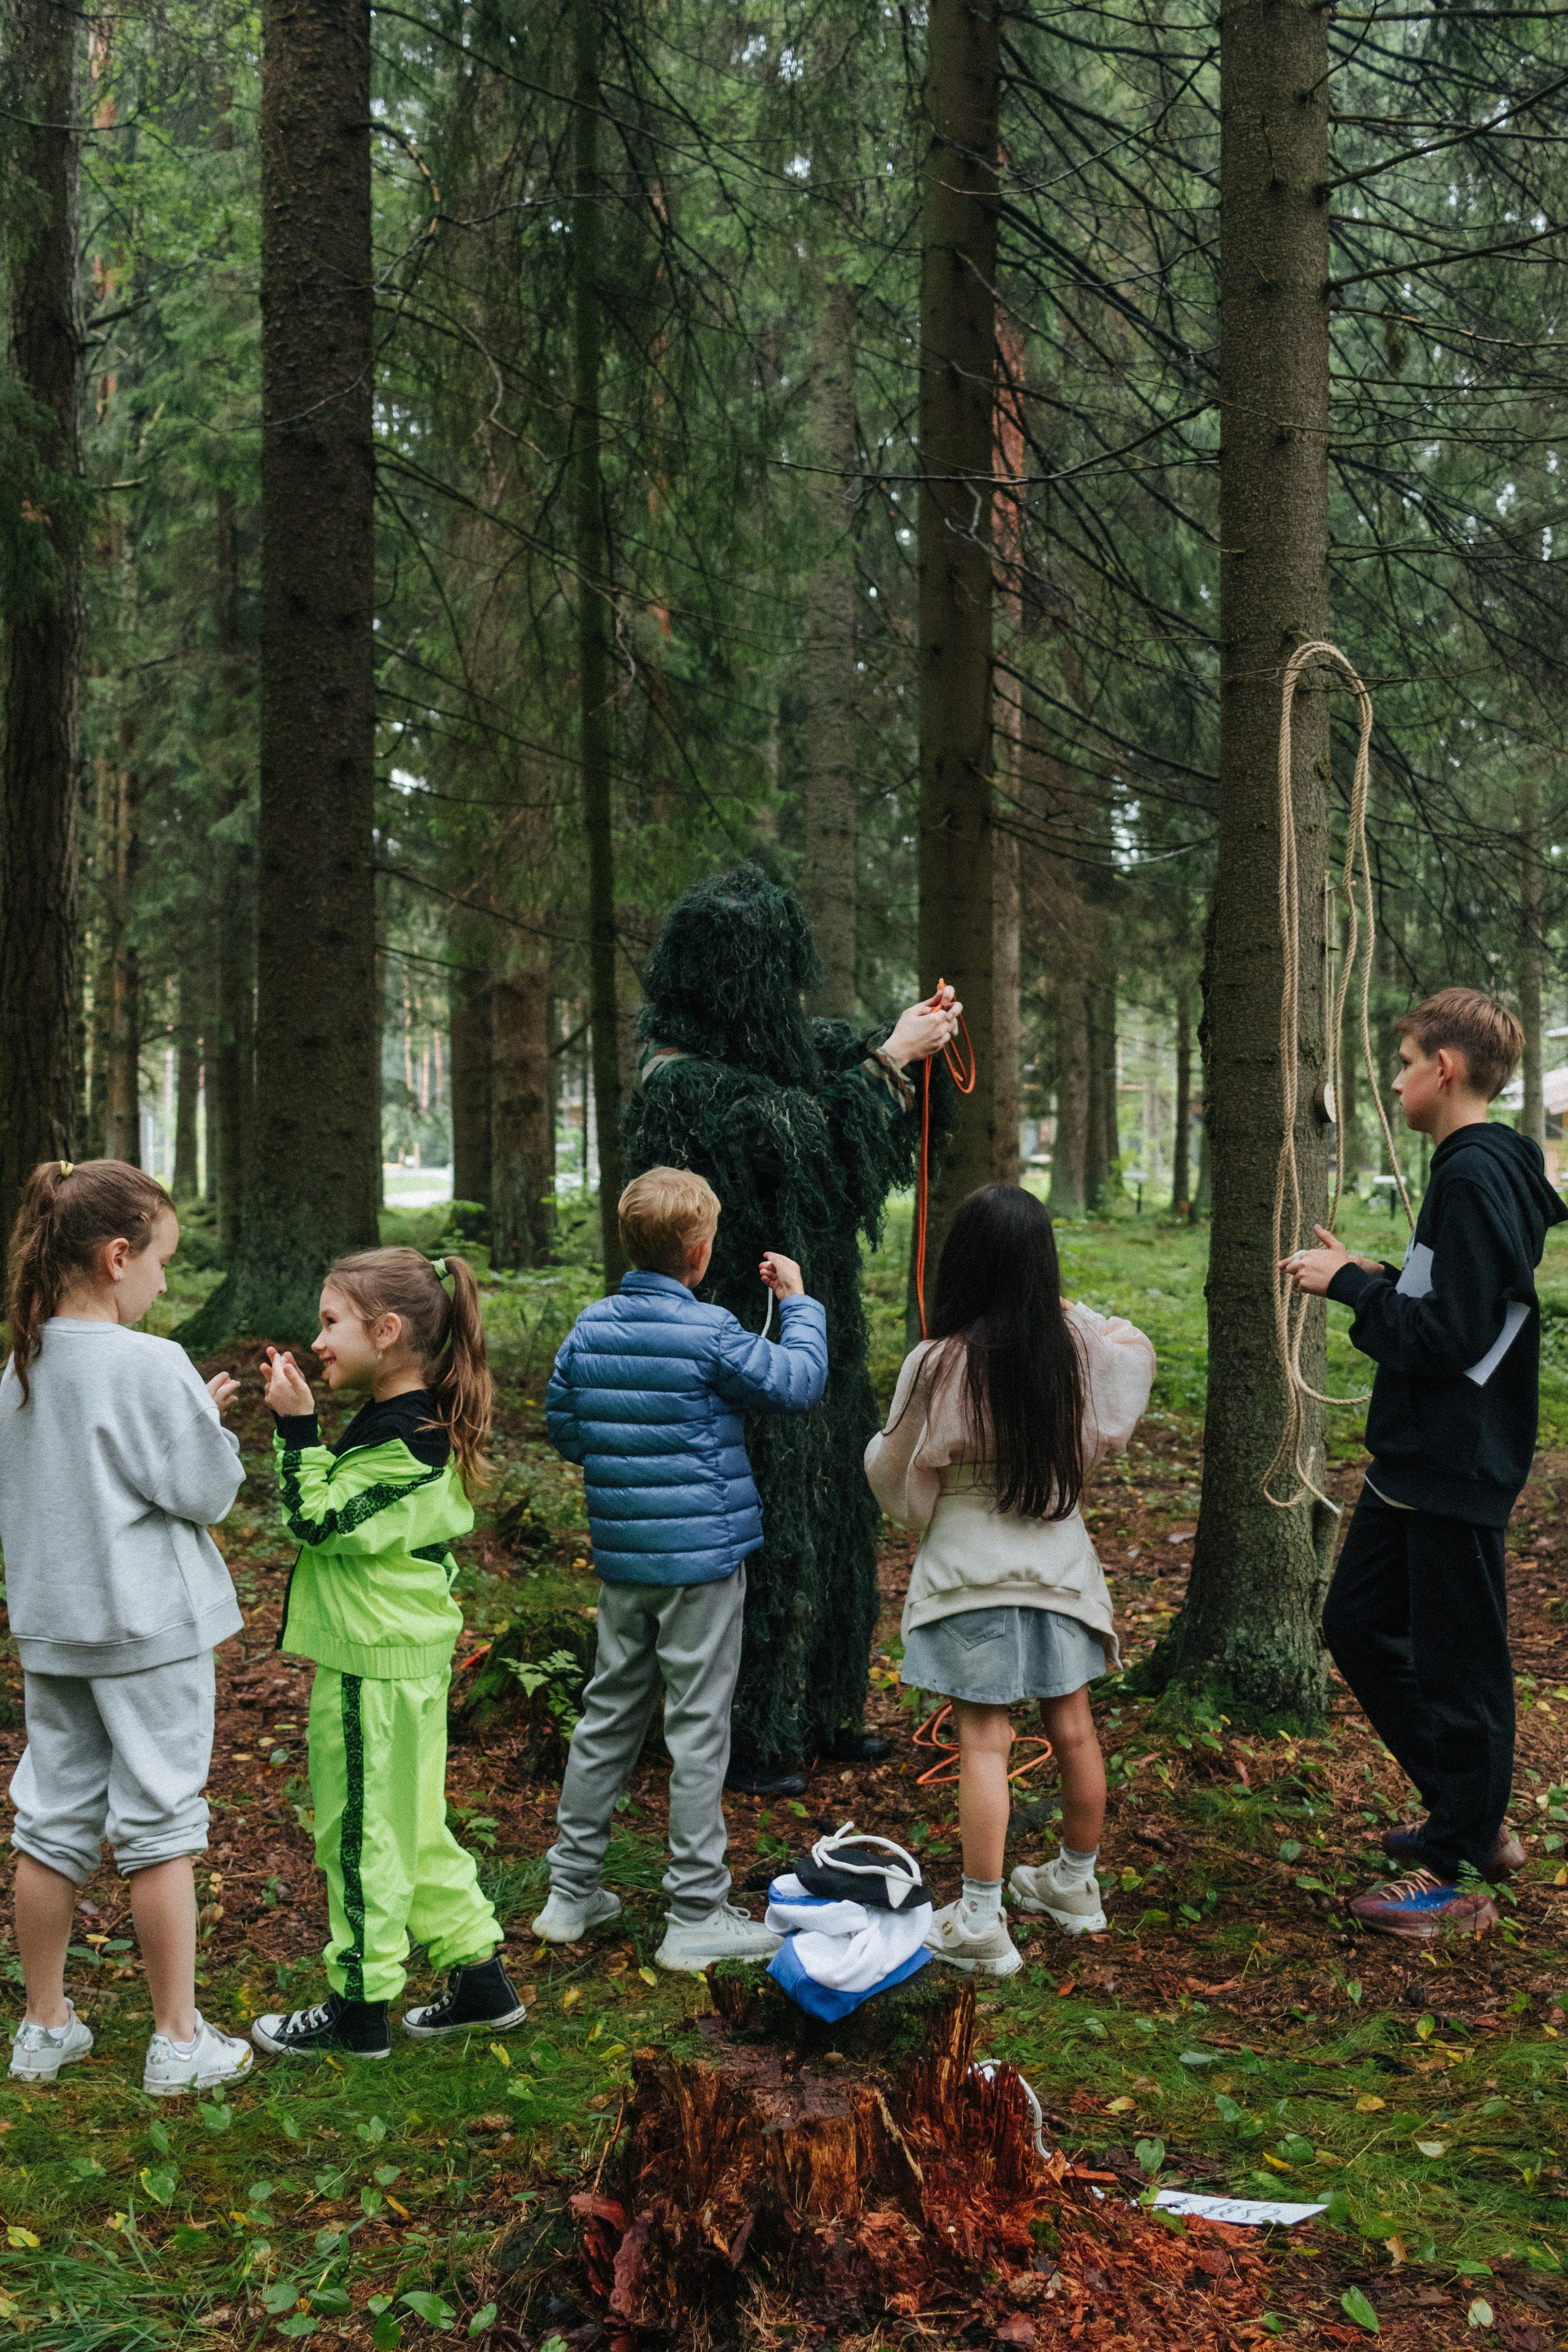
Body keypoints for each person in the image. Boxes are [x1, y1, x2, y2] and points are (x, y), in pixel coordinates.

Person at [623, 862, 959, 1796]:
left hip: (815, 1327)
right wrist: (888, 1063)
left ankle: (826, 1709)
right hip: (733, 1338)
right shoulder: (680, 1080)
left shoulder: (763, 1049)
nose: (786, 1001)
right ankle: (748, 1733)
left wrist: (911, 1037)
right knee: (760, 1532)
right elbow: (797, 1137)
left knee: (839, 1513)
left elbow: (827, 1064)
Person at [1284, 988, 1564, 1941]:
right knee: (1358, 1623)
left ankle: (1454, 1868)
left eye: (1406, 1062)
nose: (1397, 1078)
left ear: (1444, 1069)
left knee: (1461, 1667)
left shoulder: (1477, 1174)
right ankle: (1468, 1816)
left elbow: (1451, 1337)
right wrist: (1377, 1274)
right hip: (1420, 1454)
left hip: (1455, 1458)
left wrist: (1351, 1289)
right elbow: (1461, 1298)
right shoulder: (1480, 1168)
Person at [0, 1159, 253, 2094]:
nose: (163, 1283)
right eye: (161, 1263)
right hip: (149, 1632)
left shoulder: (20, 1366)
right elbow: (206, 1491)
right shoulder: (151, 1363)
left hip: (55, 1629)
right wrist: (207, 1425)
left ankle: (43, 2026)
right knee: (160, 1827)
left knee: (51, 1820)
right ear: (117, 1258)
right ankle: (178, 2041)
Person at [537, 1167, 829, 1970]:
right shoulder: (712, 1333)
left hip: (625, 1560)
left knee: (607, 1716)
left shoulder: (590, 1328)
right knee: (698, 1729)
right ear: (700, 1254)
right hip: (702, 1565)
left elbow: (567, 1427)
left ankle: (570, 1893)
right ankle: (697, 1911)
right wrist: (799, 1304)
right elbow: (799, 1382)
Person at [865, 1183, 1155, 1977]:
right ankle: (1075, 1885)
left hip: (970, 1575)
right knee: (1075, 1730)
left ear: (963, 1266)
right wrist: (1069, 1309)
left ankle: (981, 1920)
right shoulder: (1077, 1353)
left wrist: (918, 1501)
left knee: (985, 1742)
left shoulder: (936, 1363)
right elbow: (1134, 1352)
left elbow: (894, 1474)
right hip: (1061, 1570)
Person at [250, 1249, 526, 2057]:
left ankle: (359, 2007)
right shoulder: (410, 1421)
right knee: (412, 1827)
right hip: (402, 1657)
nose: (318, 1339)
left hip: (373, 1668)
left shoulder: (407, 1439)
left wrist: (296, 1428)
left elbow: (319, 1520)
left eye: (331, 1321)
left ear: (387, 1331)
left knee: (360, 1837)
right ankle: (479, 1979)